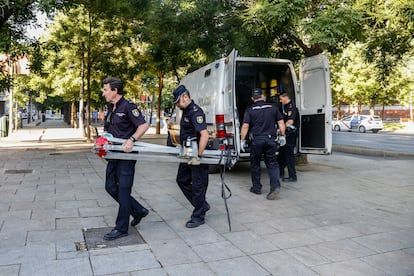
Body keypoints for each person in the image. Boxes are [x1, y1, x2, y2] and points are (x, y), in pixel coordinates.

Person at [101, 77, 150, 240]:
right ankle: (138, 210)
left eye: (105, 90)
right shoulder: (111, 108)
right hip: (113, 154)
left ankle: (121, 228)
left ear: (115, 91)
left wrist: (132, 140)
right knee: (110, 187)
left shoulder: (128, 107)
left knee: (123, 190)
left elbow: (143, 126)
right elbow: (108, 130)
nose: (103, 93)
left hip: (126, 156)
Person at [173, 85, 210, 228]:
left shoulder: (195, 112)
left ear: (185, 97)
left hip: (195, 154)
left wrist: (198, 156)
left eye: (178, 101)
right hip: (188, 153)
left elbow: (204, 135)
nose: (177, 104)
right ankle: (201, 205)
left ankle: (198, 216)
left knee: (198, 185)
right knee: (181, 180)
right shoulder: (186, 111)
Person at [240, 88, 286, 200]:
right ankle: (275, 187)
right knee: (272, 164)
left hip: (256, 141)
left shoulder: (250, 110)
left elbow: (245, 126)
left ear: (252, 99)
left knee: (255, 164)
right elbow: (281, 122)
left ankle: (256, 188)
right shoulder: (273, 107)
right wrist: (283, 135)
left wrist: (242, 140)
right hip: (271, 140)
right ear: (262, 96)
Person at [278, 92, 300, 182]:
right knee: (281, 154)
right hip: (286, 134)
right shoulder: (285, 107)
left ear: (286, 97)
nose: (280, 101)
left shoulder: (292, 107)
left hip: (291, 134)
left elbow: (290, 122)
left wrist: (281, 129)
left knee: (289, 155)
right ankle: (281, 173)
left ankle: (292, 176)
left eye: (281, 99)